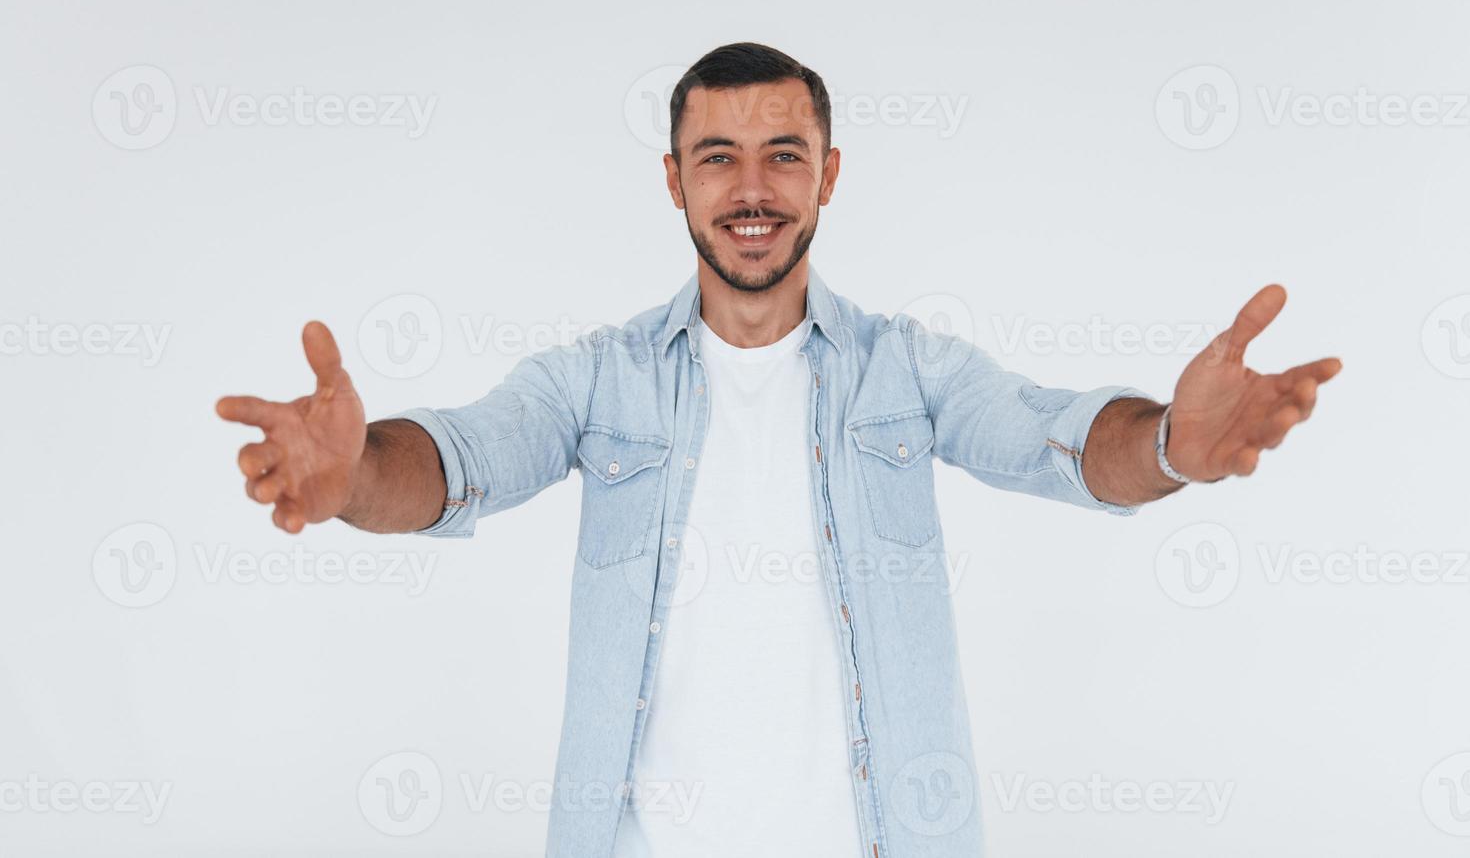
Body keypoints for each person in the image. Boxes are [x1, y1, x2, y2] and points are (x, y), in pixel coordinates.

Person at [216, 42, 1340, 858]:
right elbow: (466, 455)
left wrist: (1172, 446)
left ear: (829, 174)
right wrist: (356, 476)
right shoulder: (595, 378)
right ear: (675, 181)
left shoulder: (908, 368)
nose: (751, 190)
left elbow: (1052, 441)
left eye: (783, 155)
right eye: (717, 158)